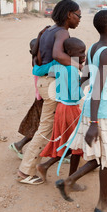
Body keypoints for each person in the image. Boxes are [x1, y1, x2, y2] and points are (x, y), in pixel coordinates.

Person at [55, 10, 107, 212]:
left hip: (95, 109)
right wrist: (95, 122)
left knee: (102, 154)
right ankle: (103, 205)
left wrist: (84, 101)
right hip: (102, 113)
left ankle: (68, 181)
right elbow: (96, 87)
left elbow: (85, 78)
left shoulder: (94, 49)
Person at [15, 0, 82, 185]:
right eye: (78, 15)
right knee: (45, 128)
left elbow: (39, 57)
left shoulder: (48, 30)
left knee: (52, 126)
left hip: (46, 82)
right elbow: (58, 55)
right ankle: (26, 170)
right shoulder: (62, 32)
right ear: (69, 14)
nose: (79, 19)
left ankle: (55, 161)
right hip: (51, 84)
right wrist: (80, 66)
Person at [36, 37, 86, 185]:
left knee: (70, 143)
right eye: (80, 52)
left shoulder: (63, 67)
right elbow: (75, 94)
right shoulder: (72, 69)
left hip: (62, 108)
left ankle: (45, 166)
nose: (83, 56)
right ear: (69, 53)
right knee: (75, 144)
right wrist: (84, 83)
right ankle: (71, 180)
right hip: (70, 109)